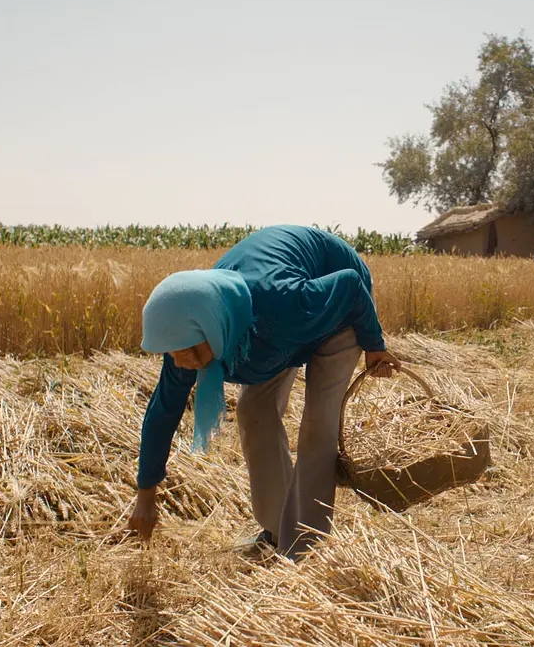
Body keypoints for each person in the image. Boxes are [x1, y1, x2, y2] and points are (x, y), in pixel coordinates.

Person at [128, 225, 401, 561]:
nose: (180, 361)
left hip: (338, 309)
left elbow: (350, 286)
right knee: (253, 411)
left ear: (209, 325)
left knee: (318, 425)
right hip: (271, 334)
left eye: (183, 350)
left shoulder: (281, 304)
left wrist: (375, 345)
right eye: (170, 352)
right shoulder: (191, 337)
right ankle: (276, 532)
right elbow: (162, 414)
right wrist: (145, 497)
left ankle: (305, 549)